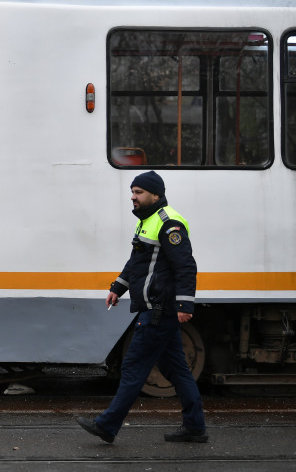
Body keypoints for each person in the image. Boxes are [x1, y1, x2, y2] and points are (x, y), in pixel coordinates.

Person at [77, 171, 207, 444]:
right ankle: (195, 427)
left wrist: (185, 303)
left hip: (158, 308)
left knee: (134, 367)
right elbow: (137, 262)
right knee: (177, 370)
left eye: (138, 192)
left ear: (155, 195)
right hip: (156, 307)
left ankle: (107, 425)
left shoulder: (168, 223)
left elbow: (185, 266)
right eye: (133, 192)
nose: (133, 197)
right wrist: (118, 287)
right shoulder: (147, 221)